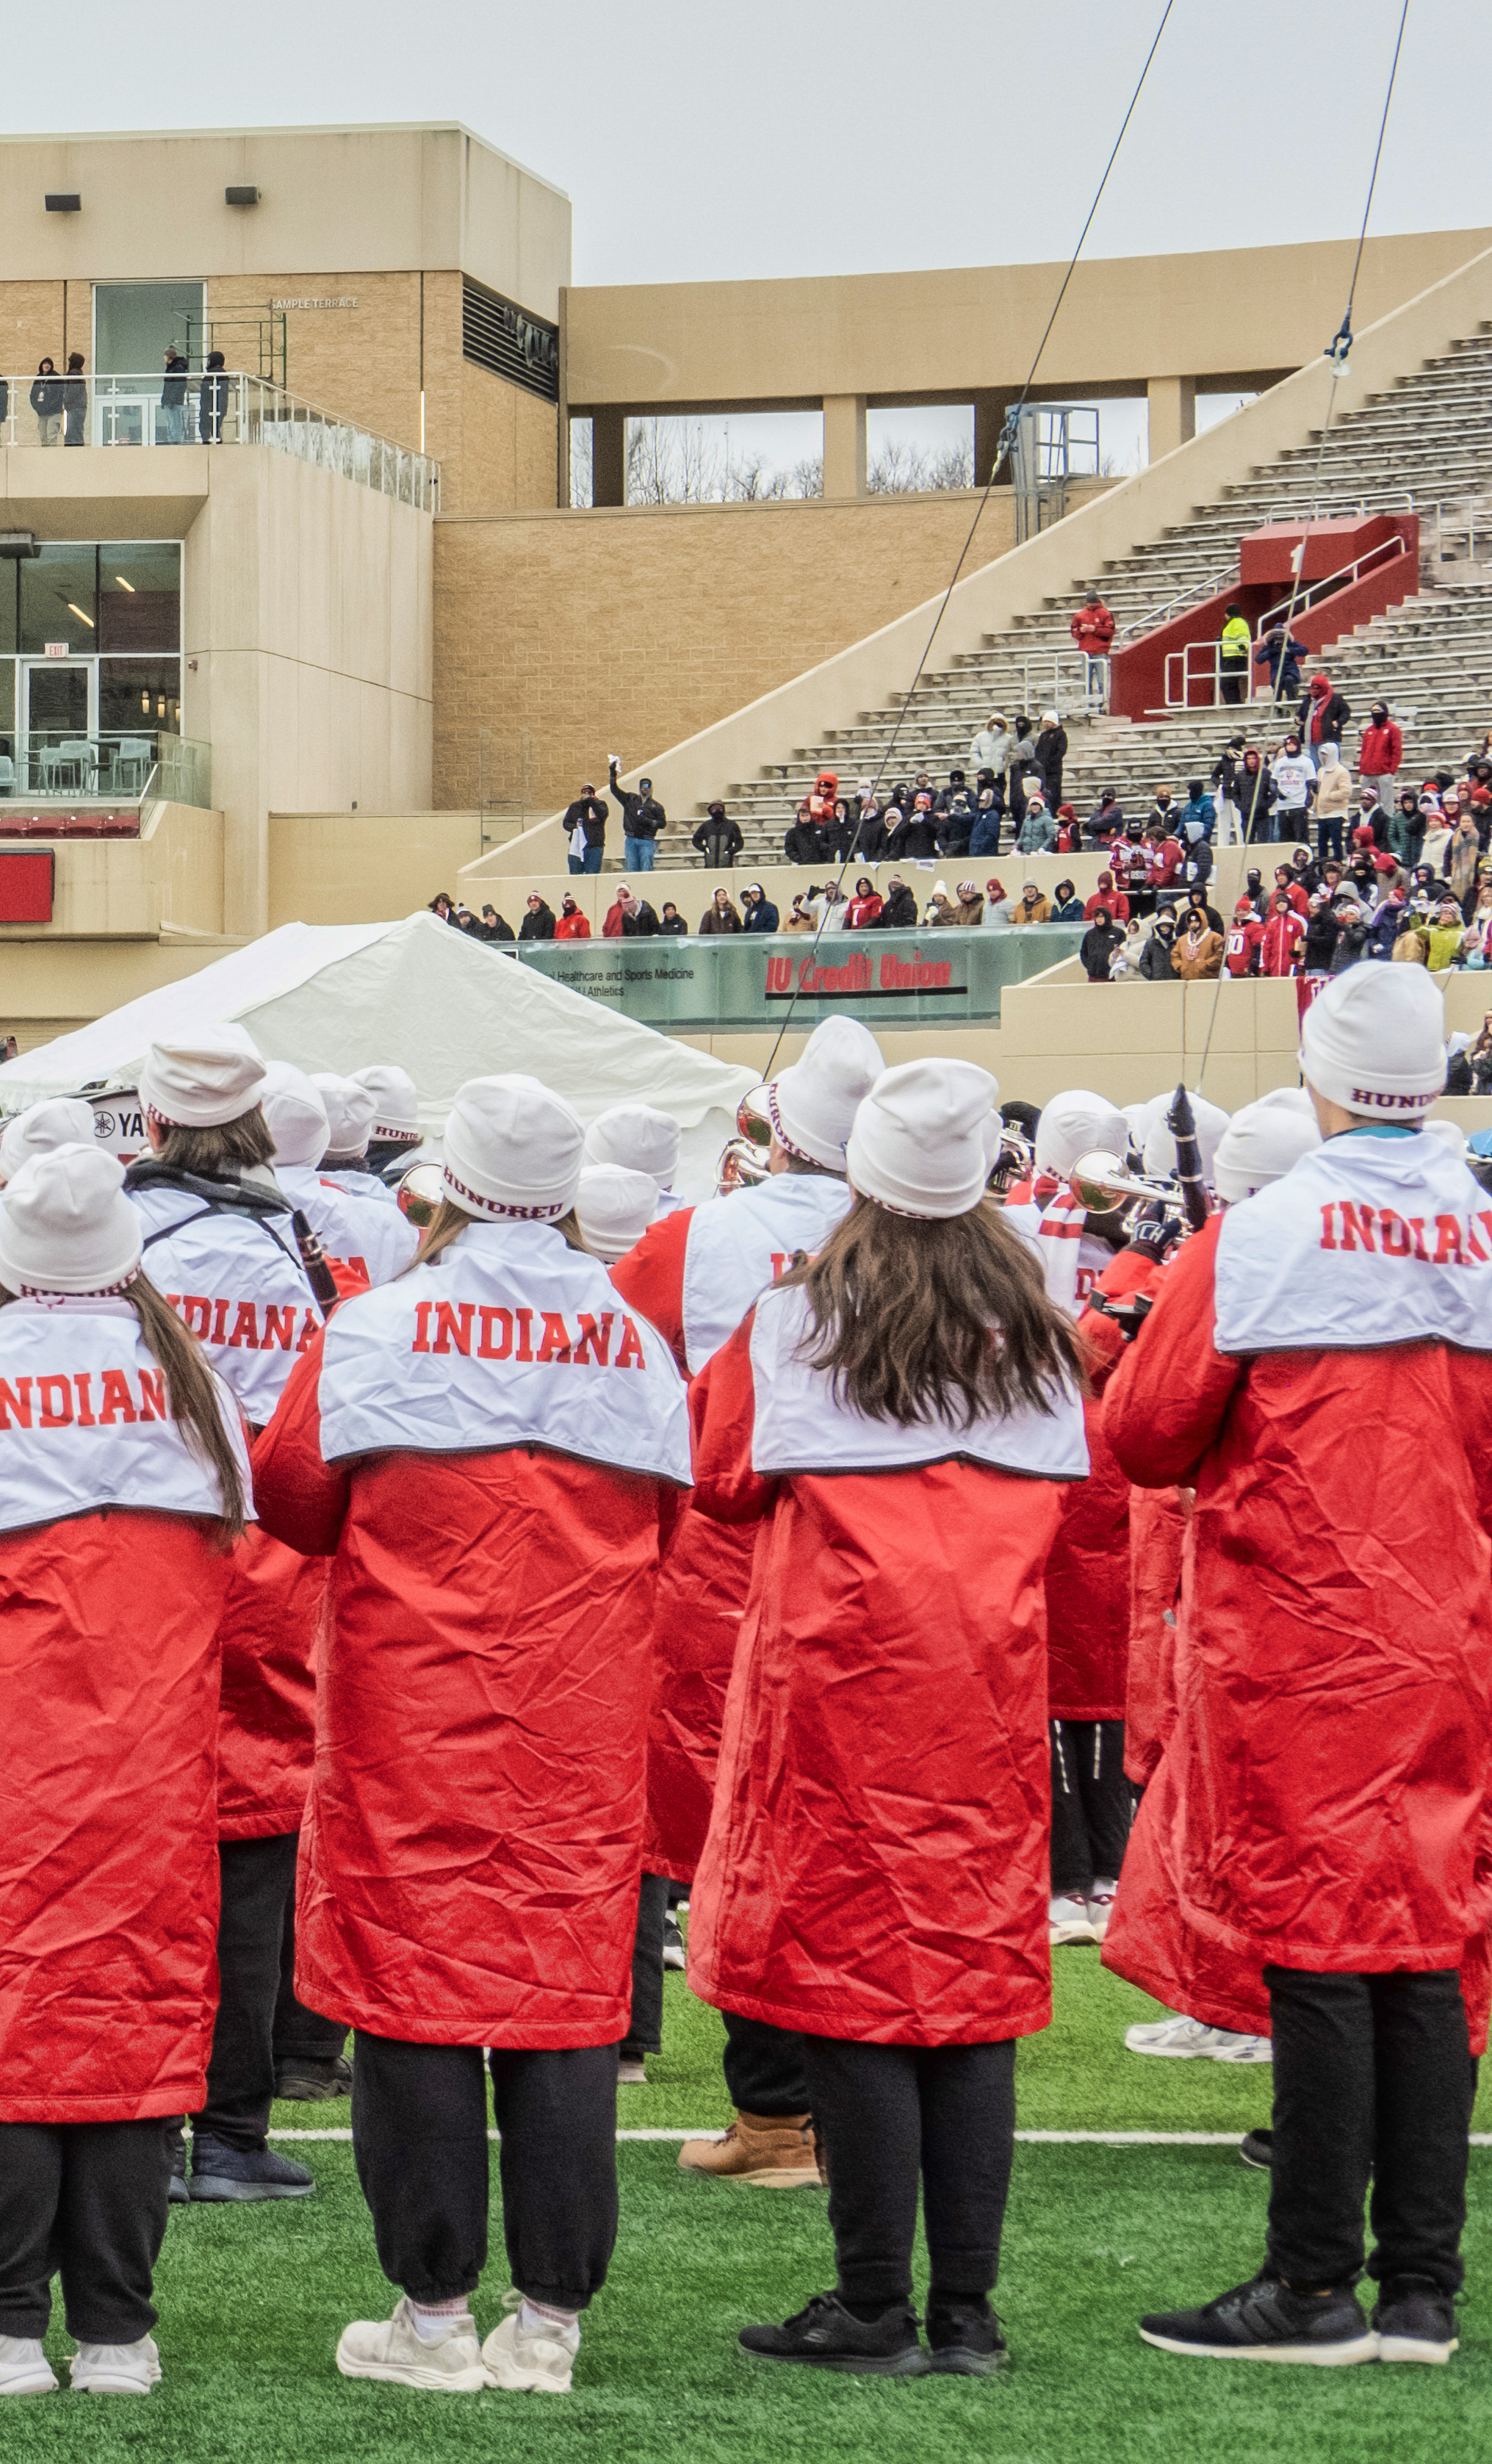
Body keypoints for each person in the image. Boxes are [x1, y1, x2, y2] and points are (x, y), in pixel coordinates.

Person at [253, 1076, 685, 2393]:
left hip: (413, 1709)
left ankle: (429, 2312)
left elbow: (290, 1497)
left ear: (442, 1190)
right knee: (560, 2004)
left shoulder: (374, 1326)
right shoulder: (628, 1336)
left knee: (411, 1998)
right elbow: (666, 1519)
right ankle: (547, 2318)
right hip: (574, 1713)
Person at [1091, 959, 1484, 2367]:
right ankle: (1422, 2286)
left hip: (1296, 1637)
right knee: (1427, 1940)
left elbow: (1139, 1438)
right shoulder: (1482, 1230)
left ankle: (1312, 2281)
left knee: (1320, 1947)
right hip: (1445, 1628)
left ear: (1319, 1075)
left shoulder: (1255, 1236)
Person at [688, 1056, 1081, 2378]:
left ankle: (870, 2303)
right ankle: (964, 2311)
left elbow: (720, 1479)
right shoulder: (1039, 1319)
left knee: (850, 1989)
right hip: (983, 1682)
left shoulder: (795, 1317)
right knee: (969, 1989)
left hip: (841, 1683)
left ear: (856, 1177)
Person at [0, 1146, 246, 2397]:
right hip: (147, 1750)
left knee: (1, 2021)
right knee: (126, 2014)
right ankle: (118, 2332)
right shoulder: (190, 1392)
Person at [608, 1015, 882, 2171]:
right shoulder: (961, 1248)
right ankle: (861, 2115)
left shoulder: (697, 1237)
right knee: (864, 1837)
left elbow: (608, 1362)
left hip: (736, 1562)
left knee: (747, 1834)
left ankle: (773, 2112)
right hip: (910, 1575)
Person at [116, 1038, 356, 2209]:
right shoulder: (318, 1237)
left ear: (152, 1119)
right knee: (256, 1851)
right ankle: (229, 2128)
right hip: (268, 1556)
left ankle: (134, 2117)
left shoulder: (109, 1230)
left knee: (126, 1849)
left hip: (135, 1556)